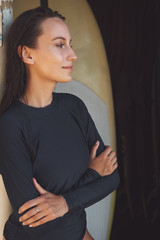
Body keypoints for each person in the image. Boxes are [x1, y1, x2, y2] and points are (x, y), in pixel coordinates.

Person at [0, 6, 120, 240]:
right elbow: (32, 219)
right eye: (59, 44)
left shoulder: (74, 107)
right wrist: (93, 176)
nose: (72, 54)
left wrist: (64, 203)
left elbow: (113, 177)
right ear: (27, 54)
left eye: (70, 43)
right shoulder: (11, 125)